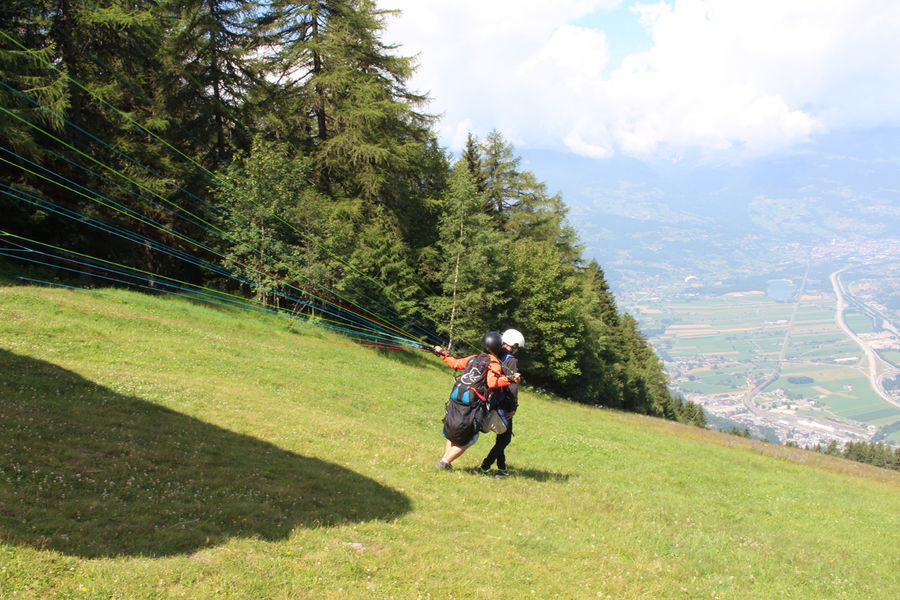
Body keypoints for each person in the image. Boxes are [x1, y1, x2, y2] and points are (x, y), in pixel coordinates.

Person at [433, 331, 521, 470]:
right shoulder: (494, 363)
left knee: (453, 433)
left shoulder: (473, 358)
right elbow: (492, 382)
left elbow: (454, 363)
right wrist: (510, 379)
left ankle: (447, 461)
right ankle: (443, 462)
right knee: (470, 438)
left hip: (457, 397)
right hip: (472, 403)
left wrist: (442, 353)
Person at [480, 329, 524, 478]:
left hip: (492, 399)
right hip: (504, 402)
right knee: (505, 439)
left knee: (501, 435)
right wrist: (513, 407)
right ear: (514, 345)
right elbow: (512, 385)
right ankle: (485, 466)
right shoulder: (511, 359)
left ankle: (502, 469)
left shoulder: (495, 354)